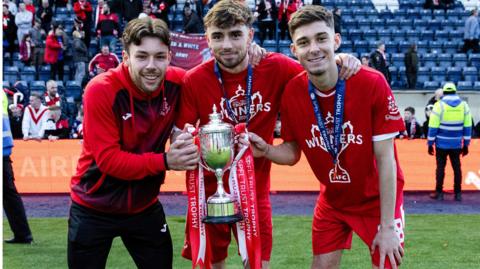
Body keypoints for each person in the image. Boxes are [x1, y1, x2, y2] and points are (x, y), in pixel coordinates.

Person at [175, 1, 360, 268]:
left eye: (236, 35)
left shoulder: (277, 68)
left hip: (255, 191)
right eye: (218, 36)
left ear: (250, 35)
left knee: (258, 264)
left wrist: (340, 58)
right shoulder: (194, 79)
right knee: (213, 264)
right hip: (208, 190)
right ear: (207, 40)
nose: (226, 45)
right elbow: (180, 136)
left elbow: (319, 69)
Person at [247, 5, 405, 269]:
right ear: (293, 50)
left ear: (336, 40)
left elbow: (387, 159)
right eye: (304, 42)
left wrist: (387, 226)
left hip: (377, 199)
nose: (314, 48)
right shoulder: (293, 92)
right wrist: (266, 150)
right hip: (333, 198)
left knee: (387, 262)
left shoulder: (371, 82)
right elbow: (292, 153)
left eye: (321, 38)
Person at [68, 17, 199, 269]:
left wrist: (253, 52)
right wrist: (166, 161)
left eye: (159, 57)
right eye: (142, 56)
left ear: (169, 57)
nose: (152, 65)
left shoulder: (178, 82)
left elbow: (211, 78)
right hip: (93, 208)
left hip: (144, 207)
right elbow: (109, 161)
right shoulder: (101, 89)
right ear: (125, 57)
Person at [427, 82, 472, 202]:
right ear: (455, 91)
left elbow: (433, 127)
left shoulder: (438, 105)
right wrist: (466, 144)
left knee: (440, 168)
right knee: (457, 168)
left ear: (444, 92)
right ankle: (458, 193)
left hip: (441, 143)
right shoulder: (464, 106)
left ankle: (439, 193)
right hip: (456, 143)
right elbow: (468, 126)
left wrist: (430, 144)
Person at [3, 90, 34, 245]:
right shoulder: (2, 94)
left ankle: (23, 234)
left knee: (9, 195)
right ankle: (23, 234)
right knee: (9, 195)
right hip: (4, 149)